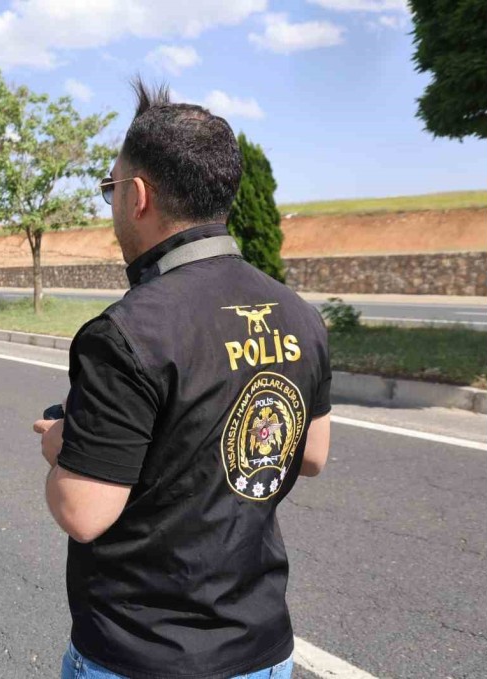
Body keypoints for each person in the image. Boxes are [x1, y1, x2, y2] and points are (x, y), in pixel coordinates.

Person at [32, 79, 333, 679]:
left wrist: (62, 446)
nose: (111, 205)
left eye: (111, 189)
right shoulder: (298, 312)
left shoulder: (127, 332)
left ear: (138, 195)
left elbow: (84, 512)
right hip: (263, 649)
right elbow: (312, 455)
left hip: (144, 653)